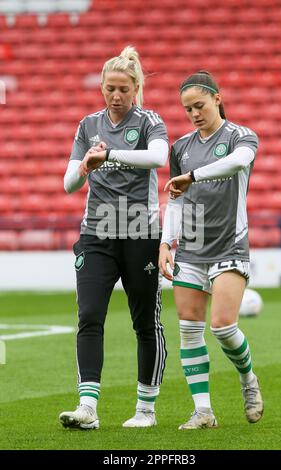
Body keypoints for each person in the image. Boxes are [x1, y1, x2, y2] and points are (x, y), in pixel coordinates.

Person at [59, 46, 168, 429]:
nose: (116, 96)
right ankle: (87, 407)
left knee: (145, 324)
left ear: (136, 87)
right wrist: (87, 167)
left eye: (123, 88)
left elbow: (158, 158)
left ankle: (145, 409)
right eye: (110, 89)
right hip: (96, 234)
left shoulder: (150, 120)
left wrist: (111, 157)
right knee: (89, 316)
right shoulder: (88, 125)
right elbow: (69, 184)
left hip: (141, 234)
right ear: (102, 89)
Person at [159, 70, 263, 429]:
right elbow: (174, 198)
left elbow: (237, 163)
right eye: (187, 109)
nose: (194, 114)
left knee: (221, 326)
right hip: (190, 249)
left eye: (200, 105)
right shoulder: (181, 148)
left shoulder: (241, 136)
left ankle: (248, 379)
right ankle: (203, 411)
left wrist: (195, 175)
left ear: (217, 98)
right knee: (189, 329)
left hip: (230, 246)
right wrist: (164, 243)